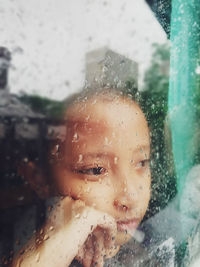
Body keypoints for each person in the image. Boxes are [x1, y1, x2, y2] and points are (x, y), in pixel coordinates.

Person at [12, 88, 151, 267]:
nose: (131, 197)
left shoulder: (145, 246)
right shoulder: (12, 244)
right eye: (95, 170)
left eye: (142, 163)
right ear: (40, 179)